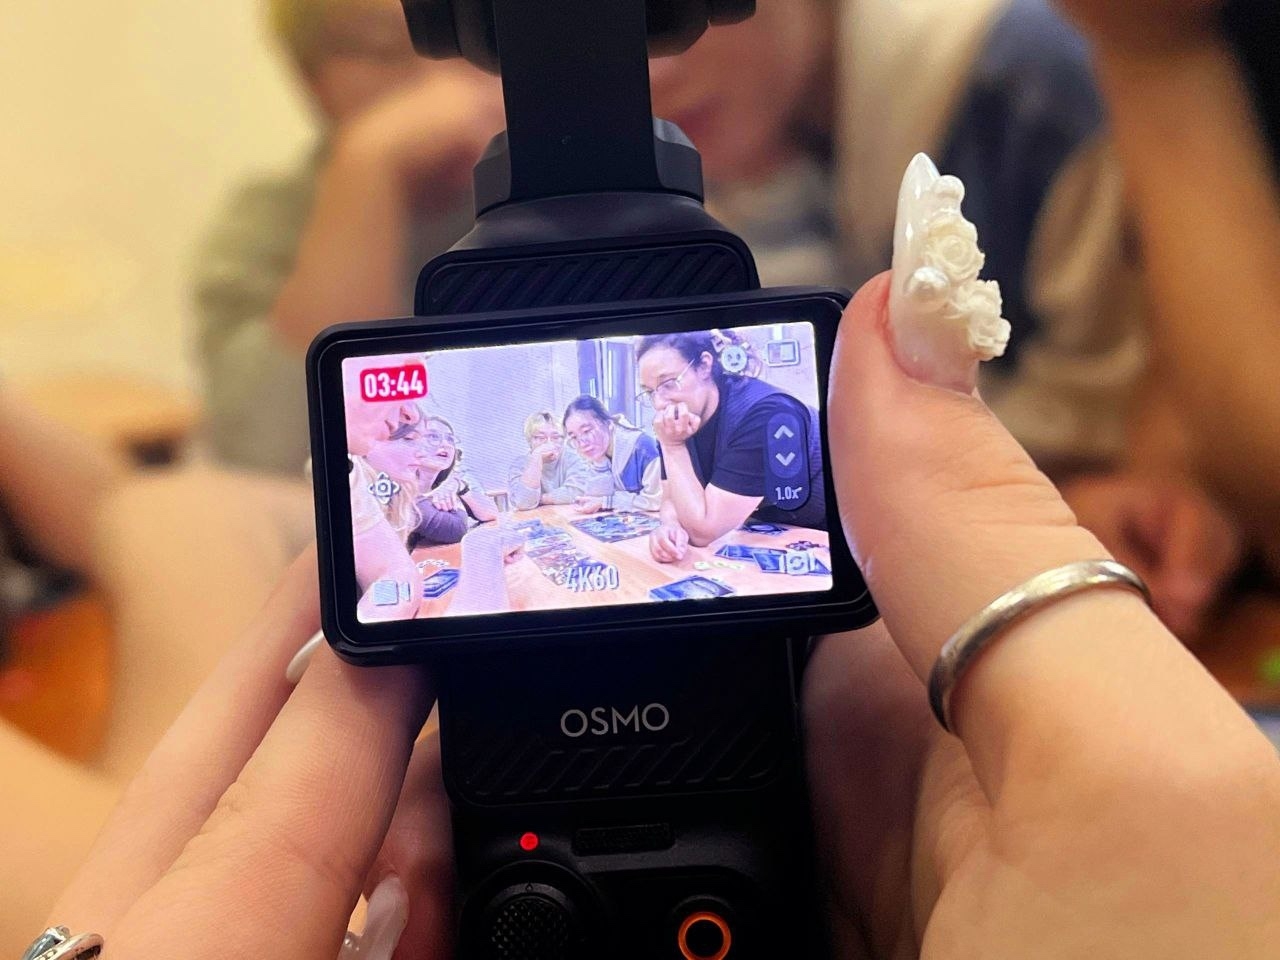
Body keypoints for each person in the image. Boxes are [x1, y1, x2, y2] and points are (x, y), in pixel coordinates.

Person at [37, 275, 1280, 960]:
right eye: (635, 395)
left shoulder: (752, 416)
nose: (646, 408)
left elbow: (673, 532)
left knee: (177, 531)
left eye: (658, 386)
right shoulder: (601, 446)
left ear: (707, 371)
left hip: (755, 775)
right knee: (179, 529)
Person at [195, 0, 504, 475]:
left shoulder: (571, 195)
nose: (439, 86)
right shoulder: (267, 222)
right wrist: (370, 161)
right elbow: (274, 455)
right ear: (309, 77)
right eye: (381, 49)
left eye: (461, 41)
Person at [636, 331, 824, 562]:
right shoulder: (676, 422)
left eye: (668, 384)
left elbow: (703, 531)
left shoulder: (768, 413)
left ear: (704, 365)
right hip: (770, 532)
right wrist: (670, 526)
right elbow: (670, 498)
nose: (659, 403)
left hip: (830, 531)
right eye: (649, 392)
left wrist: (673, 446)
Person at [406, 415, 499, 549]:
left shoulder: (443, 487)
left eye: (450, 439)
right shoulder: (402, 490)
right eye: (433, 436)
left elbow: (491, 513)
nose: (446, 444)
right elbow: (456, 529)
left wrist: (459, 486)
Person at [561, 397, 662, 514]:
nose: (582, 443)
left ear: (608, 424)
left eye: (587, 431)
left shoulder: (643, 448)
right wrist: (599, 462)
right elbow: (596, 499)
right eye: (574, 437)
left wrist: (607, 502)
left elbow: (656, 501)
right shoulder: (602, 451)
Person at [506, 412, 588, 511]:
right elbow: (523, 502)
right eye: (541, 438)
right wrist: (536, 457)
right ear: (530, 440)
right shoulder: (519, 464)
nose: (549, 443)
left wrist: (539, 499)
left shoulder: (573, 458)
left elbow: (576, 492)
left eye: (556, 437)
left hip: (567, 515)